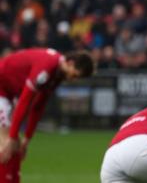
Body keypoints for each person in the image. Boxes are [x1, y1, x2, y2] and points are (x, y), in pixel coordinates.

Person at [0, 48, 95, 183]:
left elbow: (38, 106)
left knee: (16, 145)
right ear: (70, 62)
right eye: (75, 75)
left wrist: (27, 139)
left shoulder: (57, 75)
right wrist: (12, 136)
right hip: (1, 89)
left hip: (8, 93)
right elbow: (25, 101)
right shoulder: (47, 68)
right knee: (5, 143)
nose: (73, 80)